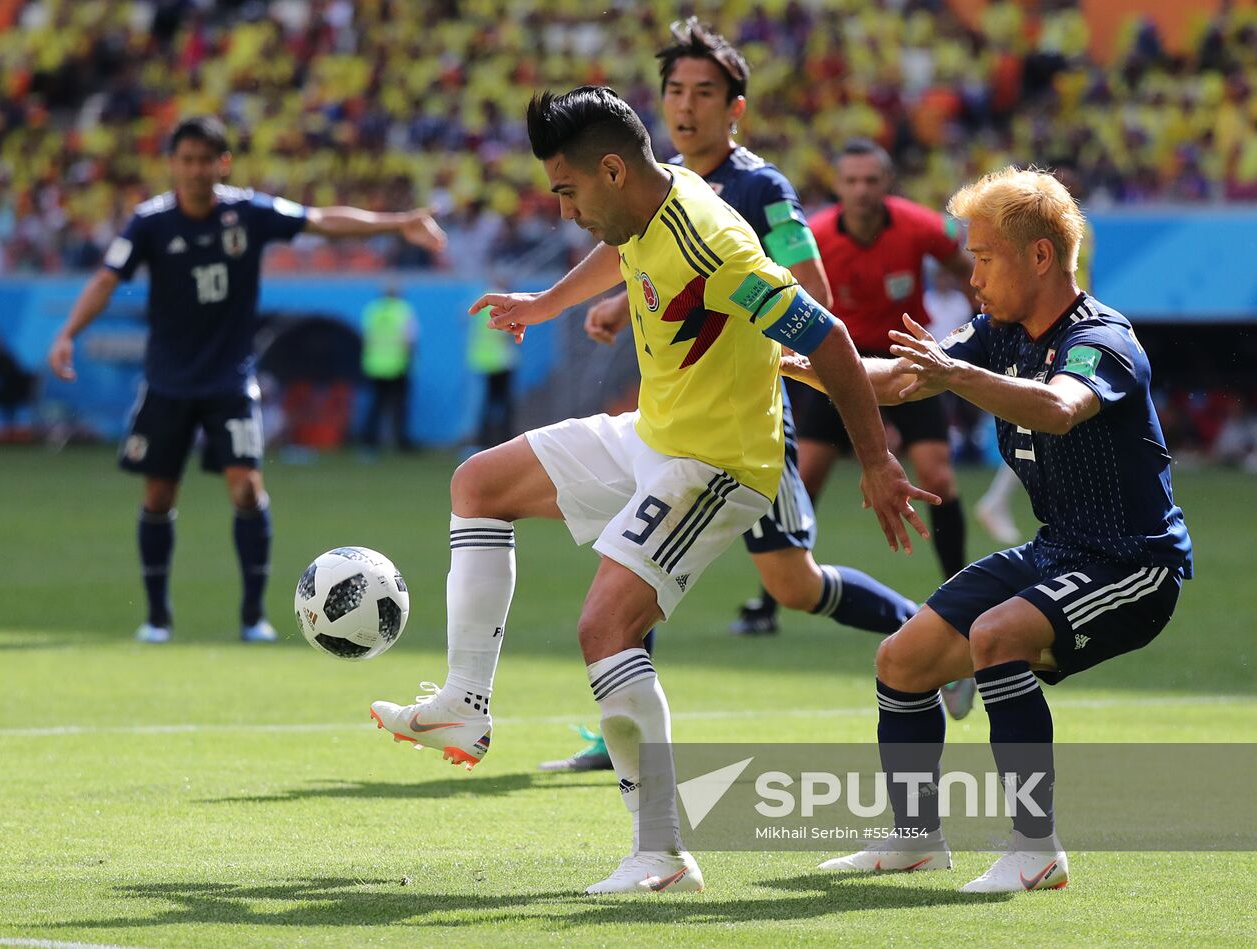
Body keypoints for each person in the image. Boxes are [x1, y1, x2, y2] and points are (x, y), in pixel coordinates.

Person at [370, 86, 936, 895]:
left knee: (606, 626)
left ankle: (661, 852)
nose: (564, 211)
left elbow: (831, 338)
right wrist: (547, 302)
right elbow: (620, 245)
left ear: (609, 170)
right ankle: (465, 701)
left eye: (566, 192)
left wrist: (877, 461)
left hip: (715, 464)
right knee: (479, 482)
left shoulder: (715, 247)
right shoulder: (645, 195)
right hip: (654, 435)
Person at [540, 20, 934, 775]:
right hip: (681, 417)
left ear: (736, 110)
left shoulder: (762, 191)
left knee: (794, 583)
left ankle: (922, 632)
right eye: (675, 91)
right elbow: (637, 256)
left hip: (746, 422)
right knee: (634, 547)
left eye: (704, 93)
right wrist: (601, 302)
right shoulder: (655, 182)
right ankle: (615, 731)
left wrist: (774, 346)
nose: (686, 106)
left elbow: (811, 297)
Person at [792, 167, 1192, 892]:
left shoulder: (1103, 339)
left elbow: (1059, 407)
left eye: (983, 257)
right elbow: (901, 379)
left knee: (997, 637)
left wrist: (956, 375)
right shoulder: (998, 334)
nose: (971, 277)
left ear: (1039, 256)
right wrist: (805, 364)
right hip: (1057, 550)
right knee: (902, 660)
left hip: (1133, 564)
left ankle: (1035, 847)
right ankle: (915, 837)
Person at [47, 115, 446, 644]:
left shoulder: (247, 213)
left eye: (203, 160)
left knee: (246, 487)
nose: (193, 170)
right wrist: (68, 332)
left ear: (222, 164)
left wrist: (396, 222)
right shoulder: (149, 223)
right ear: (172, 164)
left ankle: (253, 616)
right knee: (159, 496)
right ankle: (157, 617)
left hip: (229, 380)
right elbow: (106, 278)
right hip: (167, 380)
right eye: (184, 160)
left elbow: (320, 219)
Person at [797, 138, 977, 584]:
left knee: (939, 476)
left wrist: (990, 323)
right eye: (852, 180)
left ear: (887, 183)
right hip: (838, 360)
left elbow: (969, 268)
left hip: (906, 358)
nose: (861, 189)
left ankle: (960, 591)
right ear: (838, 185)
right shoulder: (813, 237)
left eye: (871, 180)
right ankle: (774, 592)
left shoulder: (918, 225)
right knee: (806, 477)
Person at [975, 158, 1094, 546]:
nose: (976, 278)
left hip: (1065, 322)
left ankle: (998, 503)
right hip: (1050, 322)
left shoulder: (1077, 234)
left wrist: (955, 375)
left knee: (1048, 417)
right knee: (1038, 421)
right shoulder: (999, 325)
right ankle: (997, 502)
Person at [360, 283, 418, 453]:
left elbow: (365, 337)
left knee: (376, 405)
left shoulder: (373, 310)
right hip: (396, 364)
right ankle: (400, 442)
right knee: (399, 406)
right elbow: (410, 339)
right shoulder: (402, 310)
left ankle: (369, 443)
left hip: (374, 364)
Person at [467, 298, 518, 451]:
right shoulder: (504, 304)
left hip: (485, 361)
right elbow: (509, 331)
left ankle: (485, 439)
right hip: (502, 361)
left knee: (487, 404)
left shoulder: (479, 304)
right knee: (505, 404)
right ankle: (505, 439)